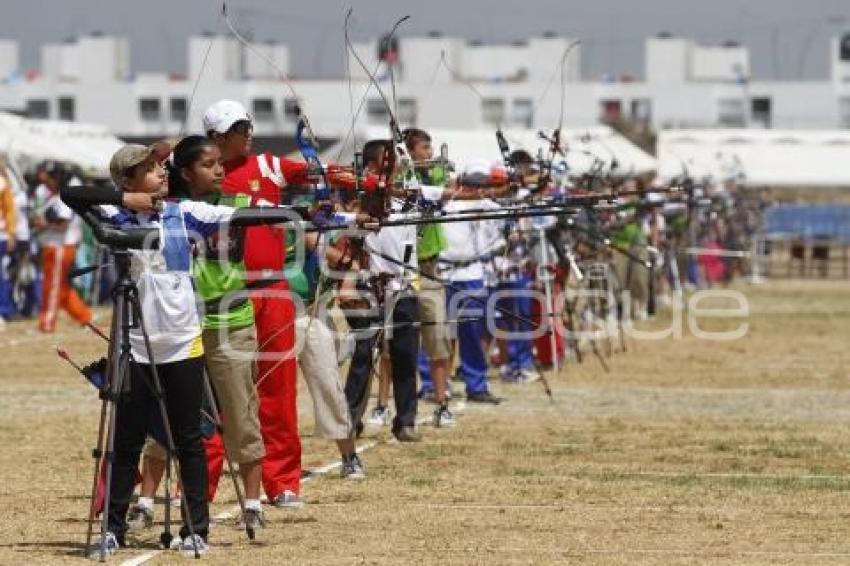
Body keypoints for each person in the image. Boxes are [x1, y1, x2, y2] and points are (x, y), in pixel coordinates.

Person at [62, 143, 227, 556]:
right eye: (150, 170)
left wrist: (318, 215)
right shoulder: (113, 215)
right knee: (128, 439)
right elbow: (72, 194)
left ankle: (196, 529)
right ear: (128, 181)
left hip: (183, 342)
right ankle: (113, 528)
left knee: (189, 438)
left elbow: (245, 214)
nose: (161, 174)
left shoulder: (183, 213)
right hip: (134, 345)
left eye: (160, 168)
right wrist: (124, 199)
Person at [204, 99, 362, 506]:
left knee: (278, 391)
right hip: (224, 295)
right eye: (239, 129)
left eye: (248, 126)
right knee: (220, 395)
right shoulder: (200, 175)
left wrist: (372, 182)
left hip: (273, 292)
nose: (248, 134)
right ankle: (199, 484)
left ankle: (283, 482)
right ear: (218, 137)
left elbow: (321, 174)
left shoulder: (269, 166)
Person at [131, 135, 267, 531]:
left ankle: (254, 503)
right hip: (180, 324)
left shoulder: (239, 203)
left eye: (220, 162)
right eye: (209, 164)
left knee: (241, 413)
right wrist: (163, 151)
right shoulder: (163, 208)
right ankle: (145, 500)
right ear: (185, 172)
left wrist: (338, 218)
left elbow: (281, 211)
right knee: (167, 415)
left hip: (231, 322)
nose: (220, 169)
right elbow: (140, 166)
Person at [343, 139, 422, 442]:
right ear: (374, 165)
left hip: (405, 287)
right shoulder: (361, 197)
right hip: (371, 285)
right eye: (389, 159)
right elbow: (360, 205)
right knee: (363, 354)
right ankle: (350, 420)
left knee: (405, 355)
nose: (397, 163)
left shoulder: (411, 196)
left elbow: (452, 193)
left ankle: (405, 421)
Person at [439, 160, 507, 404]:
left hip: (472, 276)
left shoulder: (487, 206)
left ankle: (476, 385)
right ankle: (434, 384)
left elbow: (510, 210)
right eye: (471, 186)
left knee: (472, 332)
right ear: (461, 186)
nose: (477, 192)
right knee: (442, 333)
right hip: (444, 274)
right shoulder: (444, 207)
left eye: (481, 187)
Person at [33, 161, 92, 333]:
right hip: (53, 245)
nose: (46, 181)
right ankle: (85, 317)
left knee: (52, 288)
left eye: (50, 178)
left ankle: (47, 324)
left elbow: (63, 225)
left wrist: (42, 224)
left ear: (58, 178)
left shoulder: (63, 197)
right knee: (62, 289)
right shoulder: (53, 196)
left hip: (60, 246)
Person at [0, 160, 17, 328]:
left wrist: (11, 233)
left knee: (1, 274)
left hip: (0, 236)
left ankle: (2, 311)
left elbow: (10, 210)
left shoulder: (2, 183)